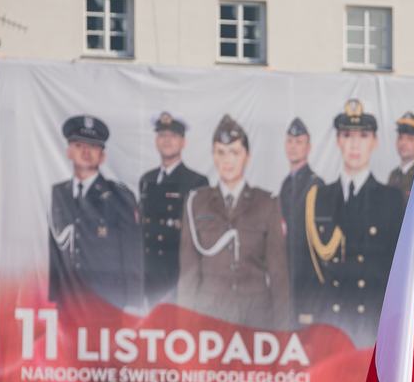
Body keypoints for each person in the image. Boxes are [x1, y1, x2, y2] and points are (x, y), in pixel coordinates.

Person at [302, 100, 405, 346]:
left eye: (363, 136)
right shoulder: (319, 198)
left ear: (375, 142)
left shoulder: (392, 200)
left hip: (372, 323)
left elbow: (399, 271)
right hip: (329, 322)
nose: (355, 144)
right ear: (338, 141)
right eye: (347, 135)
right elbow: (307, 265)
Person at [177, 115, 290, 330]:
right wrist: (184, 331)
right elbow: (188, 276)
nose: (227, 160)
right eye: (220, 153)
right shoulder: (196, 203)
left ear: (247, 157)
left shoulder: (267, 203)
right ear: (213, 156)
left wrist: (282, 334)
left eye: (234, 153)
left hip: (255, 322)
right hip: (209, 321)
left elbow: (279, 277)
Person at [48, 115, 144, 313]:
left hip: (108, 300)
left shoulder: (120, 195)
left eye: (93, 146)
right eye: (79, 145)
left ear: (102, 156)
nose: (86, 151)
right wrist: (53, 297)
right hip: (69, 301)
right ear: (68, 152)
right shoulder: (58, 193)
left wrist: (133, 304)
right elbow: (55, 249)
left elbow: (132, 254)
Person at [138, 111, 209, 306]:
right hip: (150, 275)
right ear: (156, 141)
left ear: (183, 142)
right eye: (162, 135)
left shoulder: (196, 181)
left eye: (172, 135)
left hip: (179, 275)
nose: (167, 140)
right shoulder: (147, 180)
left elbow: (201, 236)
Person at [278, 119, 327, 322]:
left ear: (309, 147)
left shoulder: (316, 185)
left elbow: (320, 246)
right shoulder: (286, 184)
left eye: (299, 142)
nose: (293, 146)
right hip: (288, 278)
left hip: (308, 282)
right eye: (290, 141)